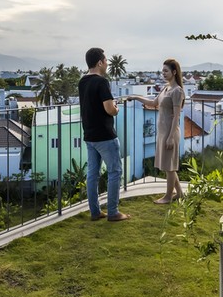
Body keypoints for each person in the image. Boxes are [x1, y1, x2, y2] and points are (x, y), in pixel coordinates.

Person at [78, 47, 129, 221]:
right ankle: (113, 212)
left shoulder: (82, 81)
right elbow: (109, 110)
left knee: (93, 174)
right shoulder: (101, 82)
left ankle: (95, 212)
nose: (107, 63)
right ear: (100, 62)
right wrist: (116, 108)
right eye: (106, 60)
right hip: (105, 135)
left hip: (89, 135)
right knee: (115, 171)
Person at [130, 58, 185, 203]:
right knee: (169, 166)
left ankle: (168, 196)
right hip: (163, 132)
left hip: (170, 132)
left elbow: (176, 116)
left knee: (170, 167)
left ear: (174, 72)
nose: (163, 74)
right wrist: (136, 97)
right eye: (162, 71)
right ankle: (179, 193)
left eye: (166, 71)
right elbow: (153, 103)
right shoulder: (166, 89)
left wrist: (171, 136)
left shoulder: (177, 91)